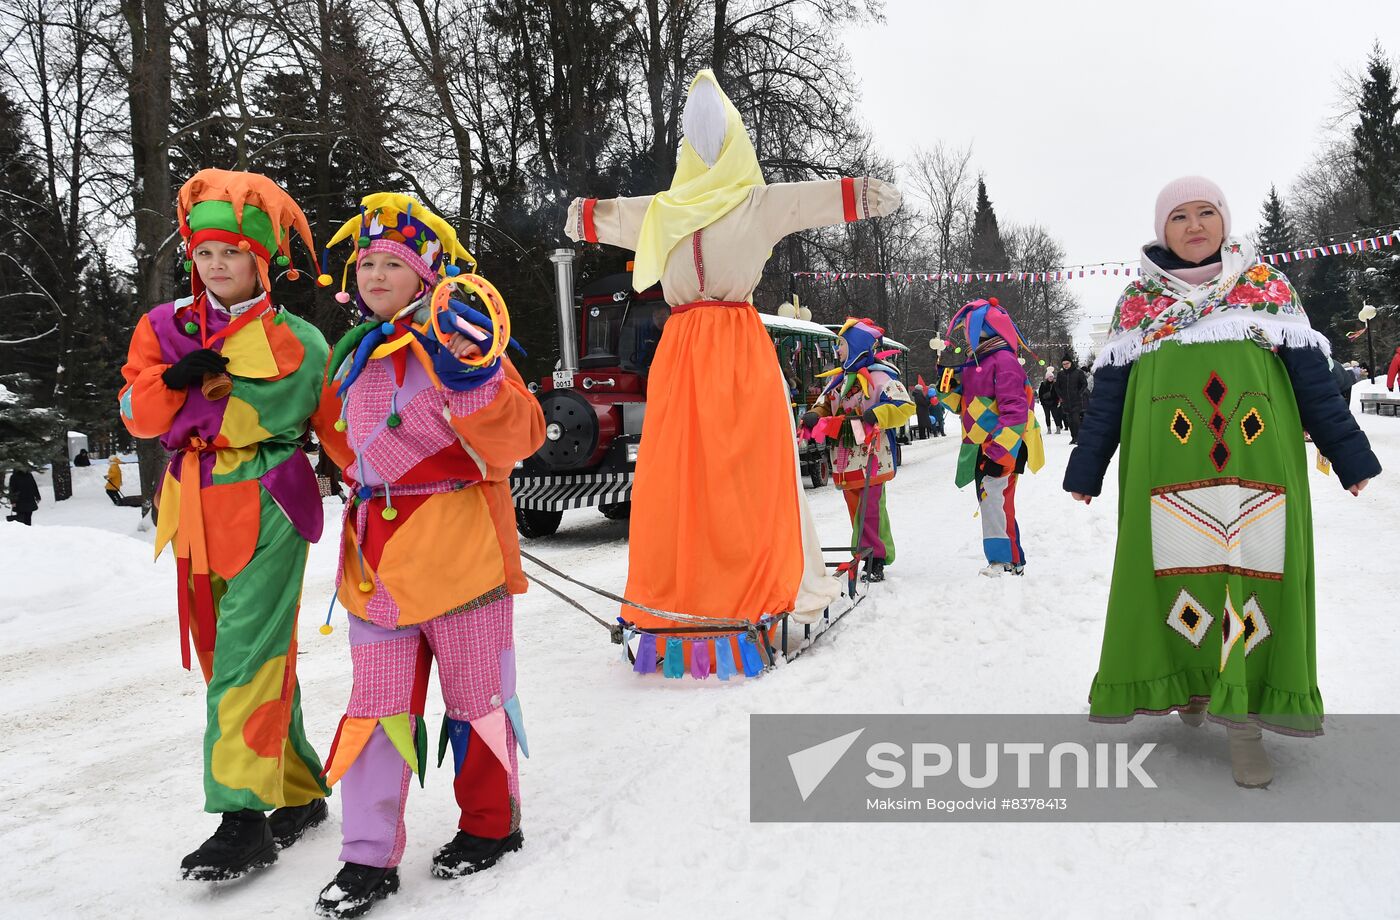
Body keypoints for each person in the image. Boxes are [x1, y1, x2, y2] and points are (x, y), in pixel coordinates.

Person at [563, 70, 900, 662]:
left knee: (745, 472)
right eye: (697, 138)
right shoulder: (664, 209)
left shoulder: (757, 203)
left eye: (713, 135)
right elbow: (613, 216)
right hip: (681, 356)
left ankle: (759, 584)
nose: (706, 146)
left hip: (739, 353)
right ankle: (683, 591)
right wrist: (584, 215)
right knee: (676, 476)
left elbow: (808, 200)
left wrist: (858, 195)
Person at [1064, 176, 1382, 788]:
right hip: (1164, 479)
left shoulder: (1266, 289)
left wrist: (1352, 459)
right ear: (1163, 230)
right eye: (1179, 216)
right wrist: (1087, 470)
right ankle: (1188, 682)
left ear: (1224, 221)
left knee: (1250, 583)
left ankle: (1244, 722)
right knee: (1175, 583)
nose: (1194, 225)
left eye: (1206, 212)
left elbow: (1314, 383)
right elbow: (1109, 398)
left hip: (1257, 475)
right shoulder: (1136, 304)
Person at [309, 192, 545, 918]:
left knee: (476, 699)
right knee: (377, 709)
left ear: (426, 275)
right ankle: (367, 857)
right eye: (367, 262)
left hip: (460, 552)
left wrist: (472, 377)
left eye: (393, 264)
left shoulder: (461, 337)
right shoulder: (352, 356)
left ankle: (488, 825)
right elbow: (343, 443)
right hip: (375, 560)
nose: (376, 275)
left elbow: (522, 435)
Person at [118, 169, 332, 880]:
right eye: (205, 253)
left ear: (259, 260)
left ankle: (241, 819)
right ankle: (298, 791)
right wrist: (170, 383)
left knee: (245, 656)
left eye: (231, 253)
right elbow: (136, 416)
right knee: (235, 657)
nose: (216, 266)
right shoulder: (162, 329)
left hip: (269, 499)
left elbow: (326, 427)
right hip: (193, 507)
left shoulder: (302, 340)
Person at [800, 317, 916, 582]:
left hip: (871, 453)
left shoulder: (880, 376)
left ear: (857, 346)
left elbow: (905, 407)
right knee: (856, 507)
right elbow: (826, 405)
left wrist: (879, 414)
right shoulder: (839, 380)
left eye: (841, 345)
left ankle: (875, 558)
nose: (837, 351)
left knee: (871, 508)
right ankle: (865, 551)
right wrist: (814, 416)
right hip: (844, 456)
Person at [937, 297, 1044, 576]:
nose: (963, 336)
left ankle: (1002, 560)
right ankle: (1011, 559)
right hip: (981, 446)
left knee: (994, 500)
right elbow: (960, 406)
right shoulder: (975, 364)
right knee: (993, 501)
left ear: (982, 329)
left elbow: (1015, 413)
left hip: (1001, 446)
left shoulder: (1004, 361)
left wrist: (1000, 453)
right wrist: (944, 385)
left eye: (966, 329)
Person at [1053, 353, 1088, 443]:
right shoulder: (1060, 374)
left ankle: (1079, 437)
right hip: (1066, 401)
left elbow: (1084, 384)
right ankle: (1073, 437)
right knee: (1070, 421)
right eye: (1063, 364)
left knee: (1076, 420)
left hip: (1076, 400)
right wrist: (1061, 396)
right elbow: (1057, 386)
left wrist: (1079, 393)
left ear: (1071, 363)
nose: (1065, 366)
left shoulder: (1078, 372)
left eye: (1067, 363)